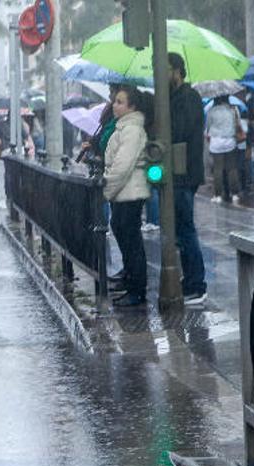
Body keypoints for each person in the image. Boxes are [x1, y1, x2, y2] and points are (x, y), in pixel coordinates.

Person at [104, 87, 152, 307]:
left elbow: (122, 167)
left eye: (120, 102)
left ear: (132, 107)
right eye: (115, 101)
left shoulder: (132, 130)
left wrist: (107, 191)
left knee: (131, 239)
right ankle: (131, 282)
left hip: (130, 191)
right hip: (123, 191)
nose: (115, 105)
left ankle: (137, 289)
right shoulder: (124, 127)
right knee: (122, 231)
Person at [168, 52, 207, 305]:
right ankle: (190, 279)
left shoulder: (189, 97)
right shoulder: (173, 98)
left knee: (186, 228)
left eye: (165, 69)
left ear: (177, 70)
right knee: (180, 230)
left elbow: (179, 130)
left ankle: (196, 283)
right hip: (176, 172)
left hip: (185, 172)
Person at [205, 96, 243, 203]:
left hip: (216, 142)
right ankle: (234, 193)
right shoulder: (233, 110)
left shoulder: (211, 111)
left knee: (218, 169)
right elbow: (238, 124)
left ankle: (218, 195)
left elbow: (208, 125)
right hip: (230, 141)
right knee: (232, 168)